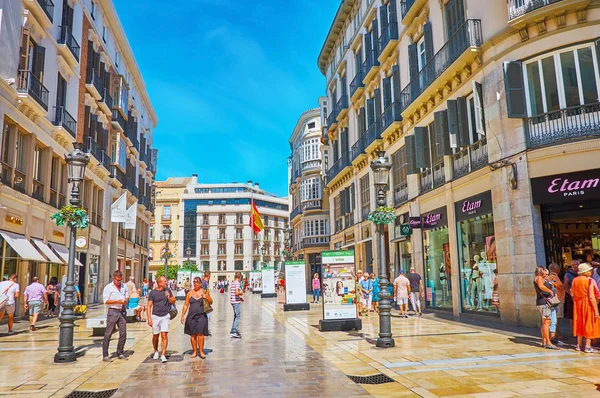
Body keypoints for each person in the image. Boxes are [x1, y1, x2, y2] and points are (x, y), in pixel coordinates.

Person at [572, 263, 600, 353]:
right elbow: (591, 297)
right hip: (587, 304)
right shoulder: (589, 281)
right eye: (590, 270)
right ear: (586, 272)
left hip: (577, 304)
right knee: (589, 323)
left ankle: (579, 345)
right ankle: (587, 346)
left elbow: (572, 293)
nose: (591, 272)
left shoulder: (574, 280)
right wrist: (596, 311)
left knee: (580, 323)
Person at [102, 270, 129, 362]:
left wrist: (125, 301)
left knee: (123, 333)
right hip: (113, 311)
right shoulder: (108, 288)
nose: (119, 282)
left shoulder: (124, 286)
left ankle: (120, 352)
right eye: (118, 280)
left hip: (122, 311)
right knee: (108, 333)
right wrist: (117, 301)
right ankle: (105, 354)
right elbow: (106, 301)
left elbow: (127, 296)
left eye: (120, 280)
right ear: (114, 278)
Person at [181, 277, 212, 358]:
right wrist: (182, 316)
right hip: (191, 316)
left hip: (201, 315)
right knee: (193, 335)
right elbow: (185, 305)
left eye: (197, 282)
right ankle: (194, 351)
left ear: (200, 283)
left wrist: (206, 297)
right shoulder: (189, 293)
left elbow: (211, 301)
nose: (195, 284)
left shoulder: (204, 291)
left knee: (200, 334)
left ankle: (201, 351)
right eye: (194, 282)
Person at [147, 276, 175, 363]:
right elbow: (149, 306)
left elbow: (173, 300)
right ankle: (156, 351)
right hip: (155, 316)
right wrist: (149, 318)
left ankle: (163, 354)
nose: (166, 283)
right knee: (155, 336)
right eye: (164, 281)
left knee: (164, 335)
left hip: (165, 315)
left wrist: (168, 296)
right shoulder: (153, 293)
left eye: (166, 281)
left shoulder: (167, 290)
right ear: (159, 283)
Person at [534, 266, 558, 350]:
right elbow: (541, 286)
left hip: (542, 302)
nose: (545, 272)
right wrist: (550, 291)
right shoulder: (539, 277)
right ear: (541, 271)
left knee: (545, 322)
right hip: (544, 303)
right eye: (544, 270)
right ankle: (548, 342)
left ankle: (544, 340)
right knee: (546, 322)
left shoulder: (542, 278)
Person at [547, 263, 565, 344]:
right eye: (558, 268)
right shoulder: (554, 277)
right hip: (557, 299)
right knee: (557, 317)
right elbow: (561, 287)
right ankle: (556, 333)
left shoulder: (548, 277)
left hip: (553, 299)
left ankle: (554, 333)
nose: (559, 269)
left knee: (554, 318)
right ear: (555, 269)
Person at [230, 272, 243, 338]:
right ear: (240, 277)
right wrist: (241, 293)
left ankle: (233, 329)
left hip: (232, 301)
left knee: (235, 315)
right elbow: (237, 292)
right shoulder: (237, 283)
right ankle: (234, 331)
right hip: (236, 302)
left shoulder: (233, 282)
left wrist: (240, 298)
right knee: (238, 316)